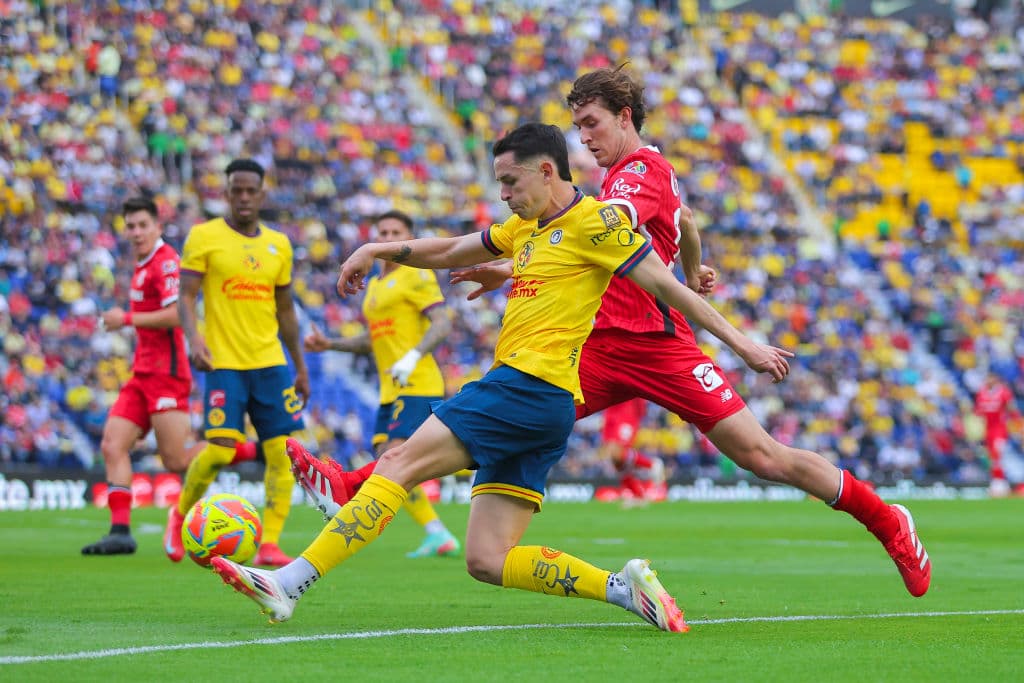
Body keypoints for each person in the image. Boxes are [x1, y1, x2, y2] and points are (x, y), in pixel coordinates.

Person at [306, 66, 933, 599]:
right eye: (577, 129)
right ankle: (358, 483)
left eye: (592, 126)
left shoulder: (638, 175)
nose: (585, 140)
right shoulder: (630, 179)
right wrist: (693, 269)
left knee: (762, 456)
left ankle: (888, 522)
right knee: (494, 419)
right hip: (595, 350)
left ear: (626, 117)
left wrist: (729, 332)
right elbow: (683, 223)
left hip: (661, 348)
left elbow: (607, 226)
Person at [207, 122, 794, 631]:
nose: (504, 195)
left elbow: (669, 288)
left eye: (510, 183)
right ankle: (624, 588)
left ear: (546, 171)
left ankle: (289, 583)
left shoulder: (597, 224)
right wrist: (376, 249)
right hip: (548, 407)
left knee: (397, 464)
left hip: (524, 385)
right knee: (488, 559)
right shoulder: (527, 229)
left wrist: (742, 345)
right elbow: (451, 250)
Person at [168, 158, 310, 567]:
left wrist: (299, 366)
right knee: (219, 450)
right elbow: (186, 296)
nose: (244, 197)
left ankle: (271, 543)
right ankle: (179, 516)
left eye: (251, 190)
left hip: (270, 362)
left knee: (283, 453)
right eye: (236, 190)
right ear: (226, 192)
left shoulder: (279, 245)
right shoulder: (204, 236)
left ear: (262, 194)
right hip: (223, 361)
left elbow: (286, 310)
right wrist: (194, 338)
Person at [302, 209, 462, 558]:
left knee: (395, 457)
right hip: (390, 387)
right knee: (387, 460)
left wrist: (412, 356)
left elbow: (441, 324)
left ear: (408, 239)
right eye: (383, 231)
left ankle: (343, 501)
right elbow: (371, 340)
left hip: (418, 382)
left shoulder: (416, 277)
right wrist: (330, 344)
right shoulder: (374, 286)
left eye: (396, 232)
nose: (388, 238)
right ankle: (437, 533)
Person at [80, 197, 193, 555]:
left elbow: (177, 315)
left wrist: (125, 319)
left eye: (143, 224)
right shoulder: (142, 264)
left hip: (167, 374)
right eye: (130, 226)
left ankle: (244, 450)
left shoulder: (166, 263)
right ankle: (120, 531)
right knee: (113, 444)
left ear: (158, 226)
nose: (136, 232)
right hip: (142, 374)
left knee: (175, 460)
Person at [597, 397, 665, 502]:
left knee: (616, 453)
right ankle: (638, 495)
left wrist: (639, 412)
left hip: (626, 412)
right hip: (610, 411)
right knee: (615, 460)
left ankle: (651, 464)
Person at [974, 372, 1019, 497]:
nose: (988, 380)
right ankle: (998, 483)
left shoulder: (1003, 392)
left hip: (999, 430)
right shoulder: (981, 393)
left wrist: (1017, 424)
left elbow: (1012, 409)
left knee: (997, 455)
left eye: (990, 378)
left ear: (996, 379)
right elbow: (978, 411)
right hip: (987, 430)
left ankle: (999, 484)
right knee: (992, 458)